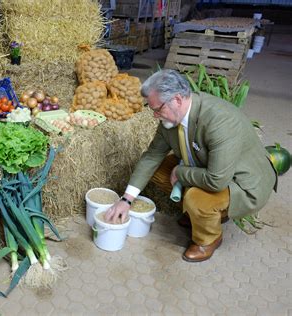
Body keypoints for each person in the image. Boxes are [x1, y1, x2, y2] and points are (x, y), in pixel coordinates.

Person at [105, 69, 277, 262]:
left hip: (241, 182)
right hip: (206, 167)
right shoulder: (169, 119)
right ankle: (200, 215)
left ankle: (208, 238)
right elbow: (152, 156)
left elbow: (216, 180)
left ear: (177, 99)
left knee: (197, 198)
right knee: (158, 170)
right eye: (152, 109)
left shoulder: (219, 121)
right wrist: (126, 200)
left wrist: (181, 172)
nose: (155, 116)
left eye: (158, 109)